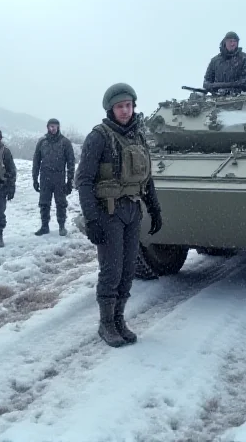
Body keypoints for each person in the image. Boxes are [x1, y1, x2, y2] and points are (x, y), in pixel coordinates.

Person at [75, 83, 162, 348]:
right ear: (111, 109)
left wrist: (155, 207)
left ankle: (119, 320)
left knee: (127, 271)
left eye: (129, 105)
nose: (125, 111)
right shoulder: (99, 137)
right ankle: (106, 324)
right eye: (120, 106)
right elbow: (84, 181)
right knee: (111, 271)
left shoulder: (137, 135)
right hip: (108, 213)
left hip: (132, 211)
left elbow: (146, 177)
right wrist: (91, 219)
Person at [32, 118, 75, 236]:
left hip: (59, 177)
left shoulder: (65, 142)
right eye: (51, 126)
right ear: (47, 127)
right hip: (45, 177)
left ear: (58, 127)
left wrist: (70, 181)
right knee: (44, 203)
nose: (53, 128)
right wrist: (35, 179)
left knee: (61, 203)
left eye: (55, 126)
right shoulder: (42, 142)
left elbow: (71, 162)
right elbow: (36, 162)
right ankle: (44, 226)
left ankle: (62, 226)